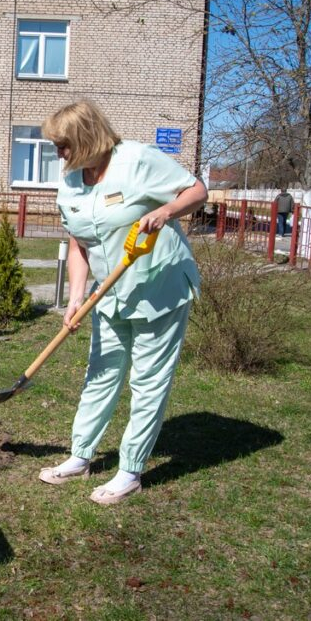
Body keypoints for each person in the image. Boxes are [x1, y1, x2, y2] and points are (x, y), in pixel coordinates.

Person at [37, 100, 208, 505]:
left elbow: (198, 191)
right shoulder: (72, 179)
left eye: (63, 145)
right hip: (109, 293)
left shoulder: (137, 160)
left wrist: (167, 210)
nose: (58, 154)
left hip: (159, 286)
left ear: (85, 137)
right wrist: (75, 298)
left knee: (147, 379)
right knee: (101, 371)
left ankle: (130, 471)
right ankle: (80, 455)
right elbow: (79, 242)